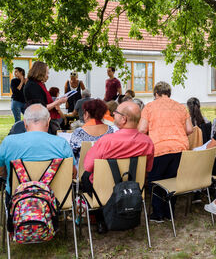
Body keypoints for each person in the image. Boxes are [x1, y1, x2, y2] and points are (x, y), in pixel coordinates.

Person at [82, 101, 154, 233]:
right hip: (132, 188)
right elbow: (148, 169)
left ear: (123, 119)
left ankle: (101, 220)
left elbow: (87, 166)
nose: (112, 114)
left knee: (86, 176)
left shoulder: (106, 141)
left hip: (104, 192)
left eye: (115, 113)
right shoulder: (147, 142)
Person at [138, 81, 193, 223]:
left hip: (159, 148)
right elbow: (189, 130)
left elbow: (142, 129)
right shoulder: (180, 107)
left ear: (156, 93)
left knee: (155, 180)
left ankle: (158, 214)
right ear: (169, 93)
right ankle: (170, 212)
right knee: (172, 179)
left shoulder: (149, 107)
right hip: (180, 147)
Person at [0, 104, 75, 195]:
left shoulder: (8, 142)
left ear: (25, 123)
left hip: (17, 200)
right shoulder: (62, 143)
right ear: (48, 121)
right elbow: (72, 172)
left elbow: (1, 171)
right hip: (55, 200)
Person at [23, 61, 68, 134]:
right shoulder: (32, 86)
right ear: (41, 72)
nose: (48, 75)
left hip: (45, 120)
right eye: (47, 72)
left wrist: (56, 101)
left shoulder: (40, 84)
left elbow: (45, 102)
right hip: (38, 122)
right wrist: (58, 102)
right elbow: (41, 108)